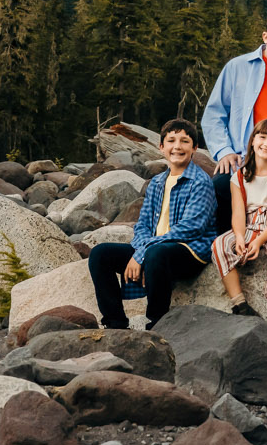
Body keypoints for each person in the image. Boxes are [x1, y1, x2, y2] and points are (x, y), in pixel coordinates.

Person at [88, 119, 217, 329]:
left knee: (156, 254)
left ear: (194, 148)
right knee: (100, 254)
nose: (177, 146)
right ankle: (115, 323)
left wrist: (141, 255)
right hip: (154, 250)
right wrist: (140, 250)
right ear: (161, 147)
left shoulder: (200, 182)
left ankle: (157, 322)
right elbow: (143, 225)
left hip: (188, 252)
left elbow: (191, 228)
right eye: (171, 140)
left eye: (185, 141)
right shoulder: (157, 182)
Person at [200, 9, 267, 229]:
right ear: (265, 36)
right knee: (219, 185)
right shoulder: (238, 68)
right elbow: (213, 115)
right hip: (243, 161)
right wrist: (223, 150)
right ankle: (223, 251)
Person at [212, 118, 267, 329]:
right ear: (252, 142)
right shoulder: (239, 177)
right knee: (219, 245)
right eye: (262, 137)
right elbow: (238, 213)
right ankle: (240, 304)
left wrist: (259, 241)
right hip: (249, 225)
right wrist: (240, 237)